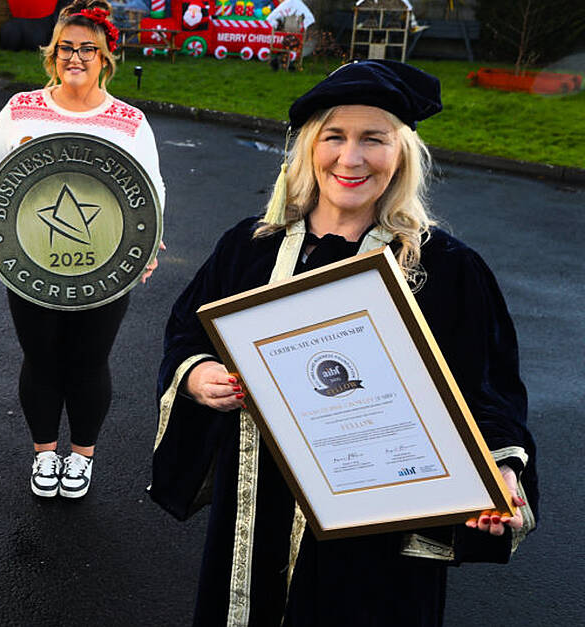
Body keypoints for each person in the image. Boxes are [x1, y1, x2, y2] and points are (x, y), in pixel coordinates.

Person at [151, 60, 537, 626]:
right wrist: (196, 374)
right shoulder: (252, 248)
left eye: (373, 139)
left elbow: (488, 389)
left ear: (402, 152)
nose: (350, 159)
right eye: (334, 136)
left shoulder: (447, 269)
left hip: (382, 525)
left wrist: (498, 472)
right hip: (258, 507)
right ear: (309, 146)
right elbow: (187, 331)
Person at [0, 0, 166, 499]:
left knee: (89, 360)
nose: (75, 57)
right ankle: (44, 453)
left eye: (87, 49)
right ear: (51, 55)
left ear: (106, 57)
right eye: (65, 48)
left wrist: (145, 248)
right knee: (40, 359)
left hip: (104, 264)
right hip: (29, 260)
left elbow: (152, 191)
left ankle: (81, 456)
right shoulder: (20, 109)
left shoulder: (129, 121)